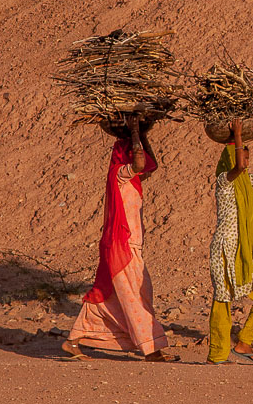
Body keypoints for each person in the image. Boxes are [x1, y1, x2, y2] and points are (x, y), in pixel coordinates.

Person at [62, 114, 178, 362]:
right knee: (136, 296)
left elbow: (150, 165)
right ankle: (152, 350)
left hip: (128, 247)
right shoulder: (120, 174)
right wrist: (134, 131)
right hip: (122, 247)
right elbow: (138, 164)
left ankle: (74, 340)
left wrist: (143, 135)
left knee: (112, 297)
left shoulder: (132, 180)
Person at [206, 118, 253, 365]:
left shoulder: (245, 182)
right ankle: (217, 355)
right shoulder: (225, 180)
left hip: (243, 251)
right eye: (243, 157)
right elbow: (237, 166)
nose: (246, 161)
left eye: (247, 157)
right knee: (222, 301)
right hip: (225, 249)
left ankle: (244, 341)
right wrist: (237, 135)